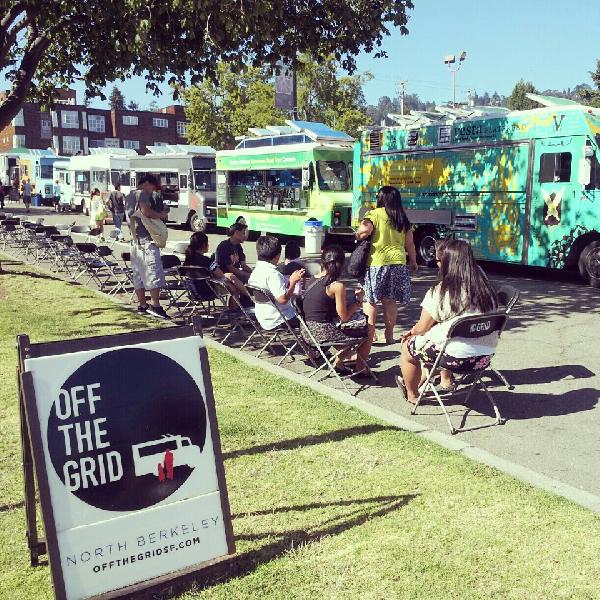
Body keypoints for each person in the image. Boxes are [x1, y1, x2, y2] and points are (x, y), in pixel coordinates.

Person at [397, 239, 499, 404]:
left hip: (455, 358)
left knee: (408, 347)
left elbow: (422, 328)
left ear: (447, 263)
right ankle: (433, 379)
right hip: (483, 356)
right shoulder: (487, 290)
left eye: (438, 260)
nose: (437, 264)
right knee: (435, 340)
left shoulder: (442, 292)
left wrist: (409, 334)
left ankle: (412, 394)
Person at [356, 185, 418, 345]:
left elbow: (363, 232)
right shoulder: (402, 217)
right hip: (398, 263)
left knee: (370, 300)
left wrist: (358, 234)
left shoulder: (374, 214)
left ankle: (371, 335)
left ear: (380, 199)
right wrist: (413, 261)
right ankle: (389, 336)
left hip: (377, 262)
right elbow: (410, 244)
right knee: (390, 301)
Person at [302, 245, 372, 376]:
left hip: (307, 331)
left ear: (322, 261)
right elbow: (344, 317)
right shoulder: (336, 286)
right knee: (368, 328)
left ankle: (341, 363)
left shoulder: (312, 279)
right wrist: (358, 301)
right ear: (342, 265)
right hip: (322, 333)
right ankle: (358, 368)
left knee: (354, 327)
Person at [129, 174, 170, 319]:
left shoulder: (130, 195)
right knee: (153, 274)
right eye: (153, 187)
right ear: (146, 183)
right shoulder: (142, 194)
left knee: (139, 276)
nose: (153, 191)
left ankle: (143, 305)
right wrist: (161, 215)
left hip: (135, 242)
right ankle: (155, 305)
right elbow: (146, 211)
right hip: (146, 242)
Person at [248, 235, 304, 330]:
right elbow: (282, 299)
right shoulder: (273, 274)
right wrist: (293, 282)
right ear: (277, 256)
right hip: (281, 319)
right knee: (312, 311)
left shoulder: (256, 271)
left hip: (264, 317)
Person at [184, 231, 252, 307]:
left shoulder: (187, 261)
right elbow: (220, 275)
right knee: (234, 285)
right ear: (204, 245)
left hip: (192, 290)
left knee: (231, 278)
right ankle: (241, 304)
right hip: (208, 291)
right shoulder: (206, 261)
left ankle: (246, 300)